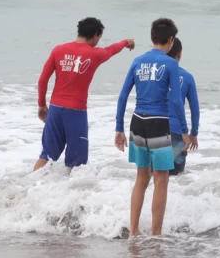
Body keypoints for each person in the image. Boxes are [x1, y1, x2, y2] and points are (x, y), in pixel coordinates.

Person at [115, 18, 190, 237]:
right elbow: (176, 101)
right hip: (158, 123)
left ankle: (134, 231)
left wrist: (118, 128)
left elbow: (122, 96)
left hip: (138, 121)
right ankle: (156, 235)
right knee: (161, 180)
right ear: (171, 40)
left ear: (151, 38)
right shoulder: (171, 64)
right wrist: (184, 130)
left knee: (141, 178)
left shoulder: (138, 61)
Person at [34, 17, 134, 171]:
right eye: (99, 38)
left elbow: (42, 80)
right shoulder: (95, 54)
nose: (98, 42)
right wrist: (126, 42)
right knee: (76, 164)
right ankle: (70, 195)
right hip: (75, 112)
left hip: (55, 109)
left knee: (46, 156)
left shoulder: (58, 50)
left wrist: (42, 104)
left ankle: (31, 189)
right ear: (95, 35)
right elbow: (111, 50)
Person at [165, 38, 199, 175]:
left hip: (153, 129)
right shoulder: (187, 77)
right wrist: (194, 133)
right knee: (175, 176)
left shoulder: (156, 76)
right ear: (179, 54)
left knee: (152, 175)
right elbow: (194, 109)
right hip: (176, 132)